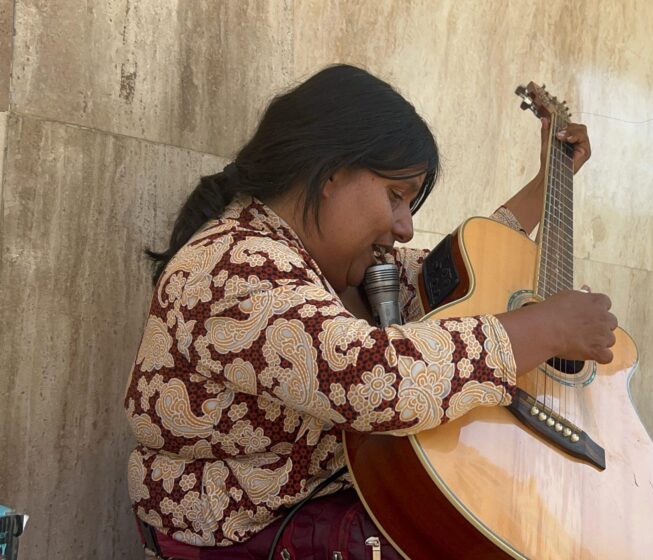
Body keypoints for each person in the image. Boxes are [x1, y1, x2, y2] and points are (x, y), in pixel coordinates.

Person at [124, 64, 617, 559]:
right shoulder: (236, 264)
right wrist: (547, 328)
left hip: (311, 517)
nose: (405, 227)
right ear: (330, 174)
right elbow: (377, 379)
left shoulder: (314, 262)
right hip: (243, 537)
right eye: (395, 195)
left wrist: (548, 186)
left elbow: (454, 279)